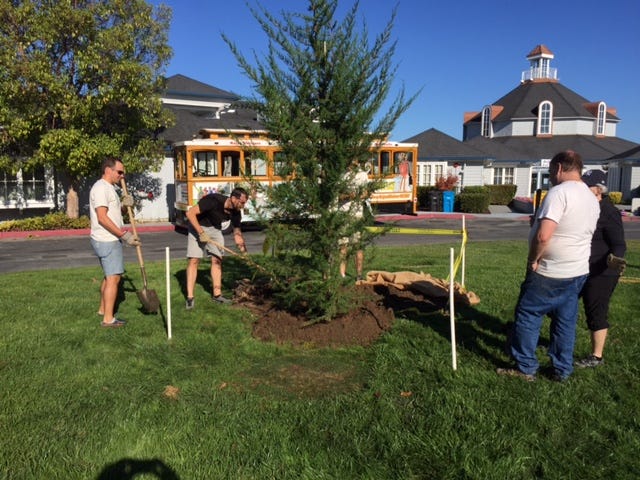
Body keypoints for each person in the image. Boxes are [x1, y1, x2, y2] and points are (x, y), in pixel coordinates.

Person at [497, 150, 599, 381]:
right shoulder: (590, 196)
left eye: (552, 171)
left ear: (559, 168)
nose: (551, 176)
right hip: (577, 270)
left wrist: (533, 259)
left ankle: (525, 367)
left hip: (550, 270)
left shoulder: (559, 193)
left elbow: (544, 237)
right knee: (565, 321)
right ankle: (562, 369)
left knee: (528, 314)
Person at [576, 169, 626, 368]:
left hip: (603, 271)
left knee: (596, 309)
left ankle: (596, 356)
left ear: (598, 189)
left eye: (586, 186)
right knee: (563, 304)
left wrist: (615, 259)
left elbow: (619, 243)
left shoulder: (609, 211)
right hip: (582, 266)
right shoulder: (586, 208)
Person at [89, 157, 140, 328]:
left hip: (108, 238)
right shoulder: (101, 188)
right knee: (114, 278)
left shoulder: (110, 188)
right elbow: (102, 218)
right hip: (107, 239)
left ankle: (103, 309)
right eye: (119, 172)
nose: (122, 175)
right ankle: (108, 319)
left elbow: (114, 213)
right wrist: (124, 235)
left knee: (108, 276)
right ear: (108, 170)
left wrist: (125, 206)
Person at [184, 187, 248, 309]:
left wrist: (244, 253)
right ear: (233, 198)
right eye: (242, 202)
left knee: (217, 260)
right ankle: (190, 298)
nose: (243, 206)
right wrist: (201, 233)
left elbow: (237, 234)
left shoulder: (236, 213)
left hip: (215, 229)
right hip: (197, 226)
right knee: (194, 260)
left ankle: (217, 295)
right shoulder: (213, 200)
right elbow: (190, 213)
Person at [338, 163, 370, 281]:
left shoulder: (362, 175)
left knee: (357, 246)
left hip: (356, 215)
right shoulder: (342, 175)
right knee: (343, 246)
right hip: (343, 215)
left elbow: (366, 194)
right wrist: (348, 196)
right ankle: (342, 275)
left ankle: (359, 276)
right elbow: (338, 196)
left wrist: (357, 196)